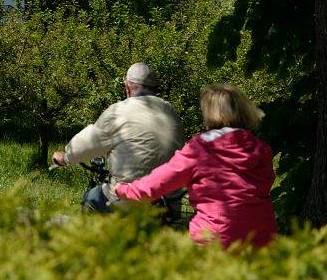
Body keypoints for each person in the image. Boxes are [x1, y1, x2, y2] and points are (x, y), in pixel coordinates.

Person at [114, 84, 277, 248]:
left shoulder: (200, 149)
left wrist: (122, 189)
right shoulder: (261, 149)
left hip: (215, 238)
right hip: (261, 237)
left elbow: (156, 184)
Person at [51, 62, 184, 212]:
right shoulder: (172, 113)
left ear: (127, 87)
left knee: (91, 197)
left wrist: (65, 157)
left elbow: (87, 143)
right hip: (169, 201)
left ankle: (90, 235)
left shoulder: (118, 112)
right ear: (155, 88)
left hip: (130, 199)